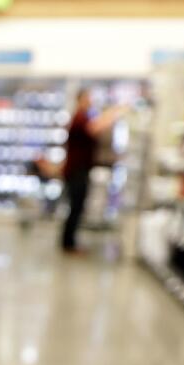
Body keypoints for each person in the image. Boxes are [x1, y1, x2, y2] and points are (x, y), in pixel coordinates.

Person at [61, 90, 122, 254]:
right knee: (75, 207)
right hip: (76, 171)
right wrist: (113, 113)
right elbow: (94, 128)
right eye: (88, 98)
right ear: (80, 100)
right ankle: (68, 244)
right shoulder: (80, 118)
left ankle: (69, 242)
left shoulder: (84, 117)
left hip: (81, 169)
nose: (91, 101)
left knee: (77, 207)